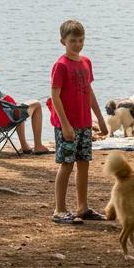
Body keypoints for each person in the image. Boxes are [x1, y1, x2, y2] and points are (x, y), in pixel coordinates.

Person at [47, 19, 110, 225]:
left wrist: (99, 119)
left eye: (81, 40)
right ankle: (59, 210)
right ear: (63, 41)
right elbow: (55, 96)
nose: (77, 44)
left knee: (84, 163)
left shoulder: (86, 62)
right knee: (66, 164)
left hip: (84, 122)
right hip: (67, 124)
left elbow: (89, 91)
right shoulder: (61, 66)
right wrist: (65, 124)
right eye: (73, 40)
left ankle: (82, 207)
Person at [0, 56, 48, 155]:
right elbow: (12, 103)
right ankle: (37, 146)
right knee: (36, 105)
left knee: (18, 112)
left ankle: (25, 146)